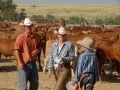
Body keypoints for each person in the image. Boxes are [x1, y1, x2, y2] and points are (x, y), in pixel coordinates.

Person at [14, 18, 41, 90]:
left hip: (33, 64)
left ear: (32, 26)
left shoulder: (36, 38)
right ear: (24, 27)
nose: (28, 27)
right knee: (23, 87)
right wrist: (19, 62)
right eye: (26, 26)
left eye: (29, 26)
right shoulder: (21, 37)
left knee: (35, 85)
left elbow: (39, 47)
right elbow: (16, 50)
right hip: (24, 63)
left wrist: (37, 50)